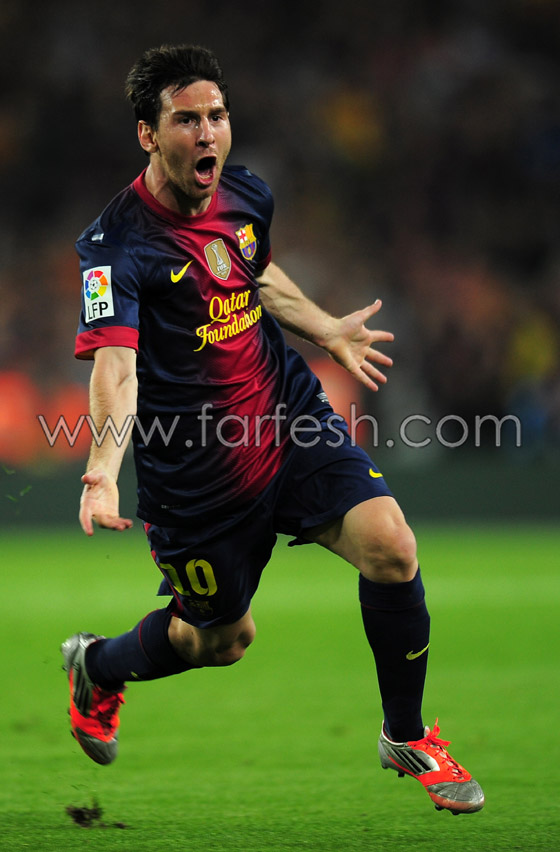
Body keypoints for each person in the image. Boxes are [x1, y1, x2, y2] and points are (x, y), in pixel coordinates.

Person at [62, 44, 484, 816]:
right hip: (197, 477)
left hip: (285, 418)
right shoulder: (113, 248)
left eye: (217, 116)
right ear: (147, 134)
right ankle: (98, 665)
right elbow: (116, 370)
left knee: (392, 546)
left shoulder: (247, 193)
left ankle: (406, 734)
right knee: (220, 642)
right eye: (186, 120)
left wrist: (325, 328)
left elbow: (251, 270)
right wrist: (102, 469)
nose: (208, 134)